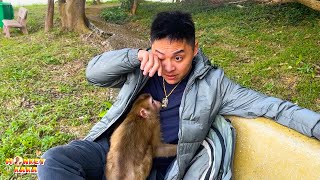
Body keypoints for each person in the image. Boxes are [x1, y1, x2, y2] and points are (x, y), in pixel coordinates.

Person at [37, 11, 320, 180]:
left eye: (179, 57)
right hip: (109, 149)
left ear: (195, 49)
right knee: (54, 161)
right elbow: (93, 74)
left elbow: (276, 108)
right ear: (151, 47)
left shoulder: (215, 85)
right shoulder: (142, 67)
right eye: (161, 55)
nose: (169, 67)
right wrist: (133, 57)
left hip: (150, 169)